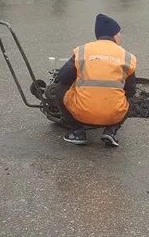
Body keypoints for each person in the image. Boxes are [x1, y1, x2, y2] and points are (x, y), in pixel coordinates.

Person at [55, 14, 137, 147]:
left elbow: (62, 77)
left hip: (81, 113)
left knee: (59, 88)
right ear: (114, 35)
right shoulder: (127, 56)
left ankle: (77, 132)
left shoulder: (83, 50)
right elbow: (131, 91)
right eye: (119, 32)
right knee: (129, 98)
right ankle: (111, 131)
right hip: (113, 115)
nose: (121, 35)